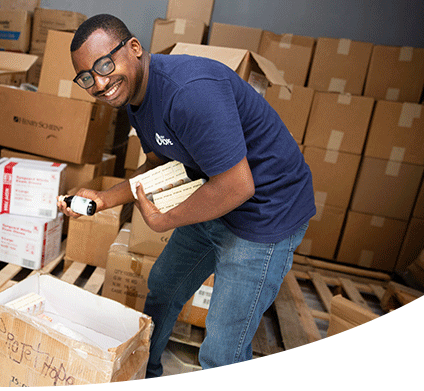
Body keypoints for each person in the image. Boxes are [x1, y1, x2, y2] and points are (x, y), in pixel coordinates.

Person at [58, 14, 315, 377]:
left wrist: (165, 219)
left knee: (222, 351)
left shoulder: (188, 92)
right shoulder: (135, 97)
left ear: (134, 48)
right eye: (87, 77)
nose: (99, 83)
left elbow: (239, 186)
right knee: (163, 287)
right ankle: (147, 374)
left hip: (266, 214)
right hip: (215, 197)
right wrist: (103, 198)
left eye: (104, 64)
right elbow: (160, 163)